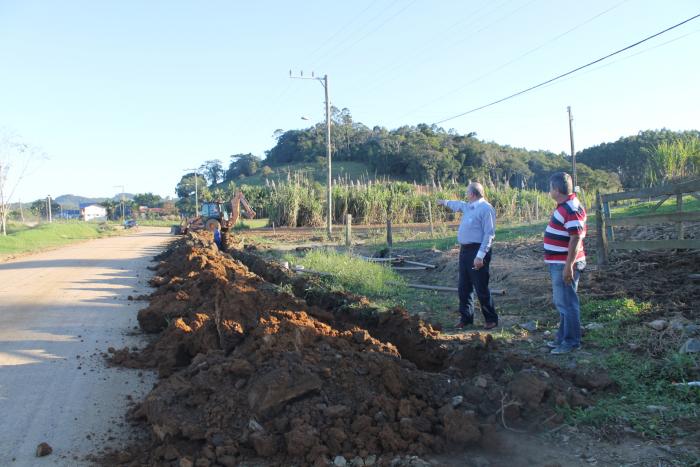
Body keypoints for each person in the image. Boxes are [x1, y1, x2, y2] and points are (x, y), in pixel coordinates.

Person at [438, 182, 498, 330]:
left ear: (472, 194)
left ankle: (491, 319)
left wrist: (480, 256)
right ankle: (466, 318)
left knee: (481, 287)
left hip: (477, 251)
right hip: (465, 251)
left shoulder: (486, 209)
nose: (465, 194)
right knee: (464, 287)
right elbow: (458, 205)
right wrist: (444, 202)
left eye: (467, 192)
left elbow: (489, 234)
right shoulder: (469, 206)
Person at [544, 172, 587, 354]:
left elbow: (576, 237)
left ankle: (571, 342)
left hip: (564, 263)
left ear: (556, 189)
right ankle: (562, 338)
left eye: (550, 188)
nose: (549, 191)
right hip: (559, 262)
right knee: (563, 302)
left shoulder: (570, 208)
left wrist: (569, 265)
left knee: (568, 303)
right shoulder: (565, 205)